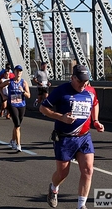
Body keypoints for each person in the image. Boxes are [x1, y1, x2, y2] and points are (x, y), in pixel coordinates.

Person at [40, 64, 104, 209]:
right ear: (72, 78)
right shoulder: (61, 91)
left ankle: (81, 205)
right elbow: (43, 108)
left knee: (88, 169)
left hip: (84, 137)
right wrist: (61, 117)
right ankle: (54, 188)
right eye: (80, 81)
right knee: (63, 173)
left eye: (86, 81)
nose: (83, 84)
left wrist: (96, 121)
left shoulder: (90, 90)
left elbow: (95, 103)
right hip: (65, 137)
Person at [0, 65, 31, 152]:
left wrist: (22, 91)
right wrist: (3, 96)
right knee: (17, 124)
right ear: (14, 72)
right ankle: (18, 144)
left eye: (20, 71)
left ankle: (12, 140)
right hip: (12, 105)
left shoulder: (24, 83)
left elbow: (29, 95)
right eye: (17, 71)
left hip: (21, 105)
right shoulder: (10, 82)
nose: (19, 73)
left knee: (18, 125)